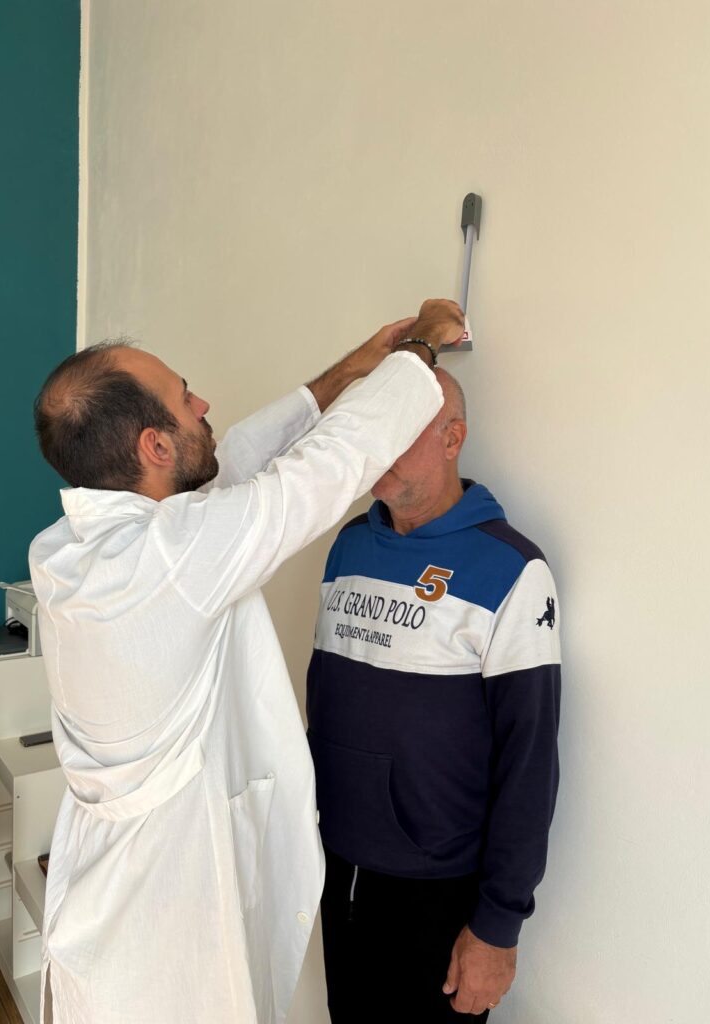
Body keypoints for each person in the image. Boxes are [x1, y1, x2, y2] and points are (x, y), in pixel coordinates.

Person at [28, 299, 465, 1024]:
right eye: (185, 399)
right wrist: (422, 342)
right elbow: (321, 469)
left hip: (114, 906)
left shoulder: (73, 548)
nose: (204, 405)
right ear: (154, 448)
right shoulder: (167, 559)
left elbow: (235, 464)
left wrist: (355, 367)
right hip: (163, 928)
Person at [307, 368, 561, 1021]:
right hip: (338, 868)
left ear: (453, 439)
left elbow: (529, 761)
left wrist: (498, 926)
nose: (380, 446)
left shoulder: (512, 569)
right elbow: (327, 704)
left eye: (403, 428)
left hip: (439, 894)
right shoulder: (348, 546)